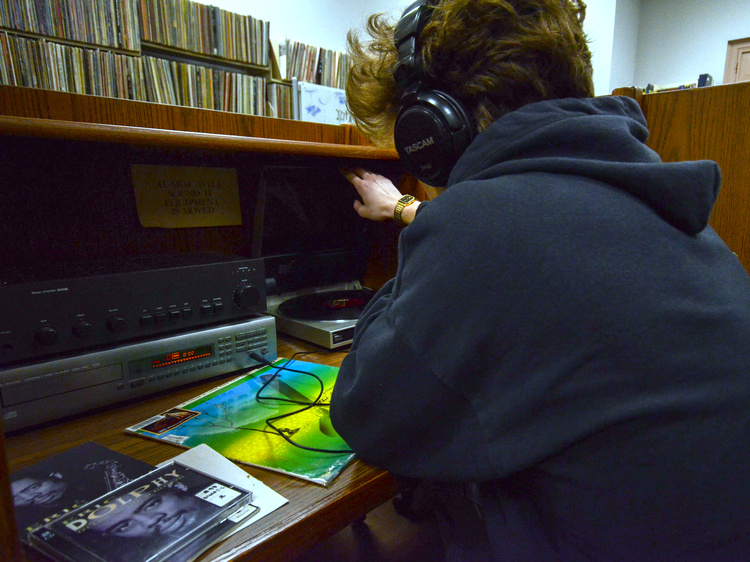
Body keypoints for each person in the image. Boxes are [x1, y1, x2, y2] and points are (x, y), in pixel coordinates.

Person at [329, 0, 750, 560]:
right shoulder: (662, 202)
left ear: (433, 128)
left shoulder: (484, 225)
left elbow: (365, 412)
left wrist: (429, 228)